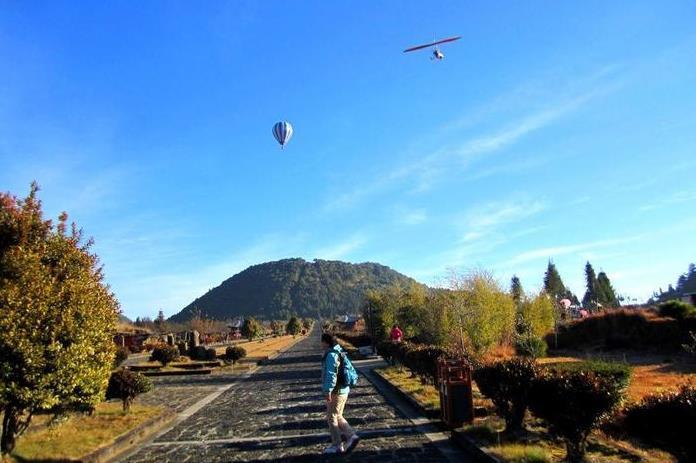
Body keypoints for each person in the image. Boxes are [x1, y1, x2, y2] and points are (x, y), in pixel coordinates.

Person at [321, 333, 359, 454]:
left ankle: (337, 445)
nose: (320, 344)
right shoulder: (340, 351)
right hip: (344, 389)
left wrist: (328, 391)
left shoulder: (331, 355)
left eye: (322, 341)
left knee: (331, 417)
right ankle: (352, 436)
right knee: (338, 415)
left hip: (336, 391)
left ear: (326, 342)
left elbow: (331, 375)